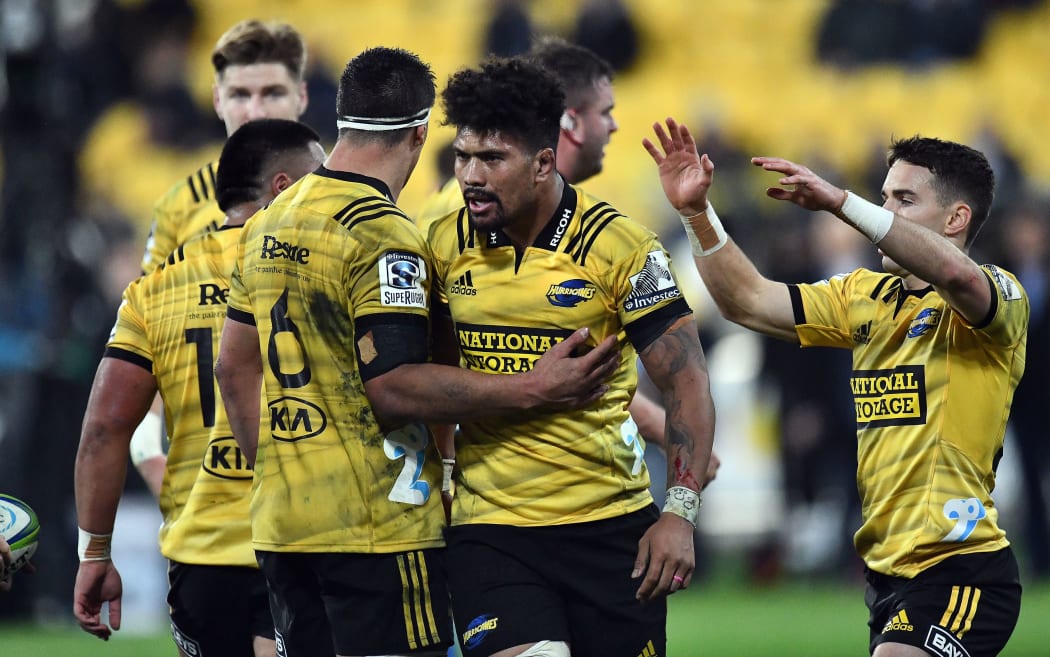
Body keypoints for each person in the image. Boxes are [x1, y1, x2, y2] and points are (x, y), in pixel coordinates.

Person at [214, 47, 619, 657]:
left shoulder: (270, 220)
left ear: (343, 119)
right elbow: (394, 386)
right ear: (422, 131)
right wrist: (529, 387)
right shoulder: (382, 232)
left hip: (283, 526)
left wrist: (276, 467)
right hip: (377, 528)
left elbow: (231, 365)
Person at [645, 117, 1026, 657]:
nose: (885, 213)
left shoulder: (1000, 295)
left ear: (956, 218)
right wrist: (696, 214)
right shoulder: (863, 295)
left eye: (904, 200)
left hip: (961, 567)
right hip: (889, 575)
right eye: (883, 197)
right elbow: (748, 300)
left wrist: (844, 202)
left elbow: (959, 277)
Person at [430, 57, 716, 657]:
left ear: (542, 162)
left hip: (609, 527)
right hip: (492, 529)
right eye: (463, 157)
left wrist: (680, 514)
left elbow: (685, 378)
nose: (471, 176)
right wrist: (448, 472)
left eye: (492, 159)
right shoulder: (439, 245)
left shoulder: (621, 247)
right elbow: (426, 376)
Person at [72, 119, 325, 655]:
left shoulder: (154, 288)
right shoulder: (320, 272)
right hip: (304, 540)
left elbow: (104, 427)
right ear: (282, 187)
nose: (327, 193)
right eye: (317, 178)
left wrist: (94, 554)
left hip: (204, 558)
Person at [130, 19, 311, 497]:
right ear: (216, 101)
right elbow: (146, 350)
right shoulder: (178, 207)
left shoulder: (346, 198)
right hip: (214, 488)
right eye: (239, 95)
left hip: (321, 475)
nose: (254, 110)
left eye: (272, 92)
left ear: (303, 97)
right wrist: (151, 459)